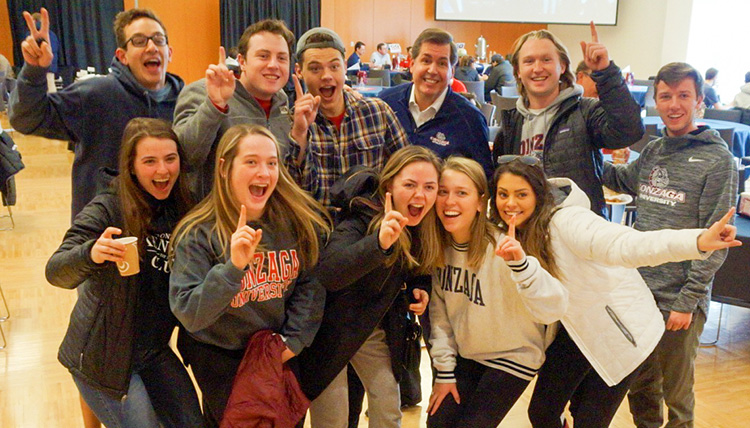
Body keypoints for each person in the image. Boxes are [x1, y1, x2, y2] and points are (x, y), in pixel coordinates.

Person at [488, 156, 740, 428]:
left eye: (521, 194)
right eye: (503, 194)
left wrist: (697, 241)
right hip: (575, 329)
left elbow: (628, 244)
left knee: (590, 420)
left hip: (623, 333)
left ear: (539, 194)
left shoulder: (568, 221)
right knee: (542, 411)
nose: (510, 203)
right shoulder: (511, 234)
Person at [602, 62, 739, 428]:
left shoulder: (718, 160)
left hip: (680, 301)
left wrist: (687, 301)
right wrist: (586, 158)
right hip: (639, 291)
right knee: (641, 387)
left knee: (677, 393)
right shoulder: (654, 150)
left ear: (698, 101)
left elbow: (718, 240)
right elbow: (625, 181)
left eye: (683, 96)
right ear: (656, 100)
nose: (673, 104)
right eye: (665, 96)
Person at [169, 124, 331, 427]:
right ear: (223, 167)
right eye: (251, 162)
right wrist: (232, 269)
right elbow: (189, 313)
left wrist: (293, 341)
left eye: (272, 163)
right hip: (224, 365)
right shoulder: (198, 234)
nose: (265, 173)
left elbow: (312, 284)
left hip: (276, 356)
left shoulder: (294, 223)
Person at [45, 118, 202, 428]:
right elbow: (55, 270)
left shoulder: (181, 206)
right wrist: (92, 252)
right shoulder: (108, 207)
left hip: (153, 350)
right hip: (103, 358)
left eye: (170, 159)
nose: (162, 170)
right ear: (131, 166)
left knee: (192, 422)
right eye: (150, 161)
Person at [298, 145, 441, 428]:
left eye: (429, 187)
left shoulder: (422, 225)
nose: (420, 195)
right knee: (333, 419)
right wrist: (379, 244)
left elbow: (415, 268)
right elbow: (328, 272)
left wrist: (420, 286)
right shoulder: (360, 217)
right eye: (410, 185)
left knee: (388, 406)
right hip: (328, 331)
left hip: (372, 327)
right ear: (389, 186)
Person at [426, 156, 568, 428]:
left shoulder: (504, 246)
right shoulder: (439, 248)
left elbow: (556, 306)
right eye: (443, 192)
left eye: (461, 193)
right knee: (436, 423)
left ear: (481, 202)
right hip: (470, 354)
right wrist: (444, 373)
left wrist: (522, 265)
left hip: (514, 356)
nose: (449, 201)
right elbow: (440, 318)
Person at [10, 8, 184, 221]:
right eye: (139, 41)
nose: (151, 47)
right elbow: (27, 119)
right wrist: (33, 72)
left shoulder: (186, 102)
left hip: (168, 234)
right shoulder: (95, 95)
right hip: (105, 236)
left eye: (158, 40)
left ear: (170, 52)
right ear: (122, 56)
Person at [491, 23, 643, 218]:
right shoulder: (512, 123)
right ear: (518, 71)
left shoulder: (585, 111)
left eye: (546, 59)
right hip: (528, 231)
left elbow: (628, 131)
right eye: (529, 61)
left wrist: (606, 73)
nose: (538, 68)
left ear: (562, 66)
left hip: (578, 232)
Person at [173, 19, 300, 199]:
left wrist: (300, 132)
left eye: (281, 58)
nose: (273, 65)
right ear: (242, 61)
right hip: (218, 220)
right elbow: (186, 157)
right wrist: (214, 105)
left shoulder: (283, 103)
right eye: (263, 56)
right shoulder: (204, 91)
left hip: (270, 218)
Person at [288, 27, 409, 211]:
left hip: (370, 228)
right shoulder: (292, 122)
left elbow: (406, 167)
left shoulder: (377, 112)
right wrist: (300, 134)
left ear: (345, 66)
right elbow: (291, 193)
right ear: (299, 71)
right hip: (317, 230)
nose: (326, 76)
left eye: (334, 66)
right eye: (315, 68)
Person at [379, 28, 493, 180]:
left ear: (452, 72)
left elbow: (483, 180)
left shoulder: (470, 120)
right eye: (426, 61)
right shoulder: (385, 104)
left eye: (441, 63)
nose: (432, 70)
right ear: (412, 64)